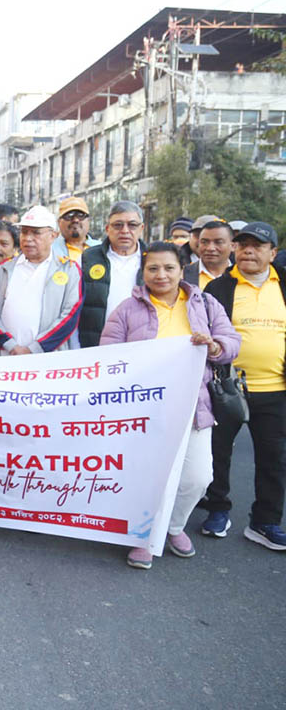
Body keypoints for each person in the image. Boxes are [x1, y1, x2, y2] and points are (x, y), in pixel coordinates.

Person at [99, 242, 240, 568]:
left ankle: (173, 526)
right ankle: (145, 536)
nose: (161, 275)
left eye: (168, 268)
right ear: (143, 272)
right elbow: (108, 354)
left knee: (198, 477)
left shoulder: (205, 304)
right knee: (147, 477)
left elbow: (231, 342)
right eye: (153, 268)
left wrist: (214, 346)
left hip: (194, 405)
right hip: (143, 410)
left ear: (181, 270)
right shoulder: (126, 310)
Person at [200, 222, 286, 551]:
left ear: (272, 253)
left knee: (274, 459)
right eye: (243, 245)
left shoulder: (283, 284)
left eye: (258, 246)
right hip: (227, 388)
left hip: (275, 388)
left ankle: (264, 522)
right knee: (217, 453)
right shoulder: (219, 288)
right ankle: (218, 509)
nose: (249, 251)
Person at [0, 206, 81, 356]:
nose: (28, 238)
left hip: (48, 360)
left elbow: (70, 316)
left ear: (53, 236)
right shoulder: (5, 269)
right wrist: (10, 345)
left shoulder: (69, 270)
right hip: (5, 357)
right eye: (24, 232)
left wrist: (34, 348)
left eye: (36, 233)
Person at [77, 201, 148, 347]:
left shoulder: (152, 259)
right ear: (108, 228)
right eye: (118, 225)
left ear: (141, 228)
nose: (125, 230)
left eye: (132, 225)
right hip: (95, 345)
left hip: (140, 345)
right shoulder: (88, 258)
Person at [185, 220, 234, 289]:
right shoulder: (182, 275)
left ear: (233, 246)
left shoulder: (242, 275)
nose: (210, 248)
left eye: (218, 242)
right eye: (204, 242)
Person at [51, 196, 100, 263]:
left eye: (80, 215)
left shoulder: (102, 249)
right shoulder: (49, 251)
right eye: (69, 216)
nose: (75, 220)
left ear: (88, 220)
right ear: (59, 222)